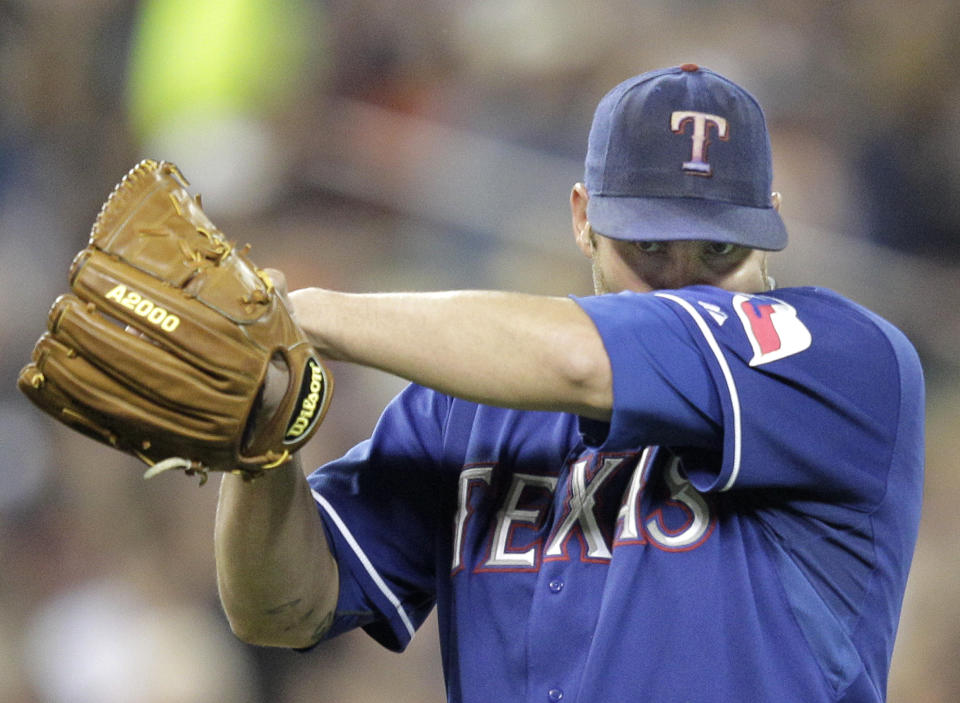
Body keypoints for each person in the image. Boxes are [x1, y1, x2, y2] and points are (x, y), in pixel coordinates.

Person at [214, 65, 924, 702]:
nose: (680, 279)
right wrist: (261, 439)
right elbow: (282, 609)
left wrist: (297, 315)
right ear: (584, 217)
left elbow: (581, 360)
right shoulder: (470, 395)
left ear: (772, 224)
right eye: (648, 246)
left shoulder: (838, 362)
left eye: (719, 248)